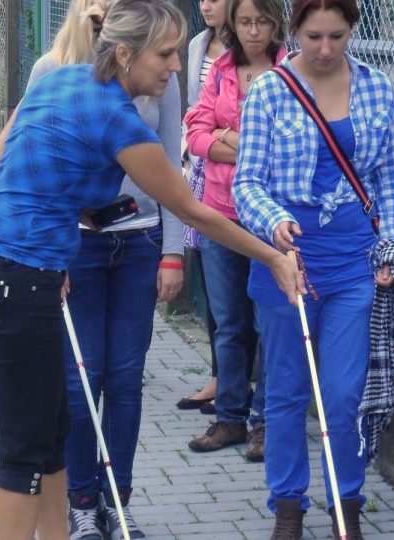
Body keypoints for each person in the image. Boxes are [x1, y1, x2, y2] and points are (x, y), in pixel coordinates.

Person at [0, 1, 305, 538]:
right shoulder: (115, 116)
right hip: (15, 282)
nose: (176, 66)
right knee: (24, 451)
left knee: (52, 439)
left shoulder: (61, 81)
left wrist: (64, 211)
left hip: (2, 268)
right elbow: (193, 211)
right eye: (165, 54)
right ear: (124, 53)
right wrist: (274, 258)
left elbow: (12, 162)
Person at [0, 0, 183, 537]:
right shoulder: (53, 72)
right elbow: (3, 161)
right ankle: (80, 502)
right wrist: (58, 249)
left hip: (135, 242)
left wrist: (173, 250)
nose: (175, 64)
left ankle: (117, 500)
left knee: (122, 380)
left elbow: (174, 168)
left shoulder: (154, 74)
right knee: (77, 384)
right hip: (65, 255)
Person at [232, 0, 394, 537]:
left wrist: (391, 248)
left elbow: (392, 183)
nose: (326, 49)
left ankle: (346, 502)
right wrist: (275, 222)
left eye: (338, 36)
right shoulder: (269, 90)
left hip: (355, 262)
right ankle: (288, 507)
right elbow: (246, 184)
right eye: (314, 37)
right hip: (287, 264)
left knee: (343, 391)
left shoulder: (379, 86)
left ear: (353, 30)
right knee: (286, 390)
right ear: (294, 30)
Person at [183, 0, 288, 462]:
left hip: (268, 218)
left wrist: (228, 136)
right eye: (244, 22)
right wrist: (238, 142)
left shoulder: (290, 72)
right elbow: (195, 133)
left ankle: (264, 422)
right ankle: (229, 417)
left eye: (261, 22)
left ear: (276, 22)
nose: (252, 31)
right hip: (220, 213)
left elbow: (285, 144)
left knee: (268, 322)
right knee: (228, 322)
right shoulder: (221, 68)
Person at [174, 0, 228, 416]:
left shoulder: (269, 53)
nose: (206, 4)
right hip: (203, 176)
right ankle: (220, 377)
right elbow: (196, 119)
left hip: (241, 180)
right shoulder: (196, 45)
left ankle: (239, 385)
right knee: (214, 282)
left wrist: (217, 136)